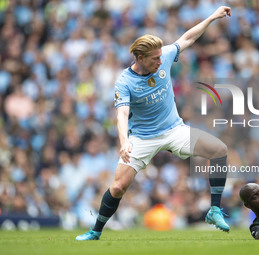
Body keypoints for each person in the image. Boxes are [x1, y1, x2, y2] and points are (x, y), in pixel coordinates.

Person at [76, 6, 232, 241]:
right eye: (155, 59)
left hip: (174, 130)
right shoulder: (124, 82)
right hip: (142, 138)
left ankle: (214, 210)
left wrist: (212, 17)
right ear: (140, 58)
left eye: (161, 56)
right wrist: (124, 142)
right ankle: (95, 231)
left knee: (220, 150)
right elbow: (121, 115)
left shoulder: (165, 56)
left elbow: (187, 38)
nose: (161, 61)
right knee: (118, 187)